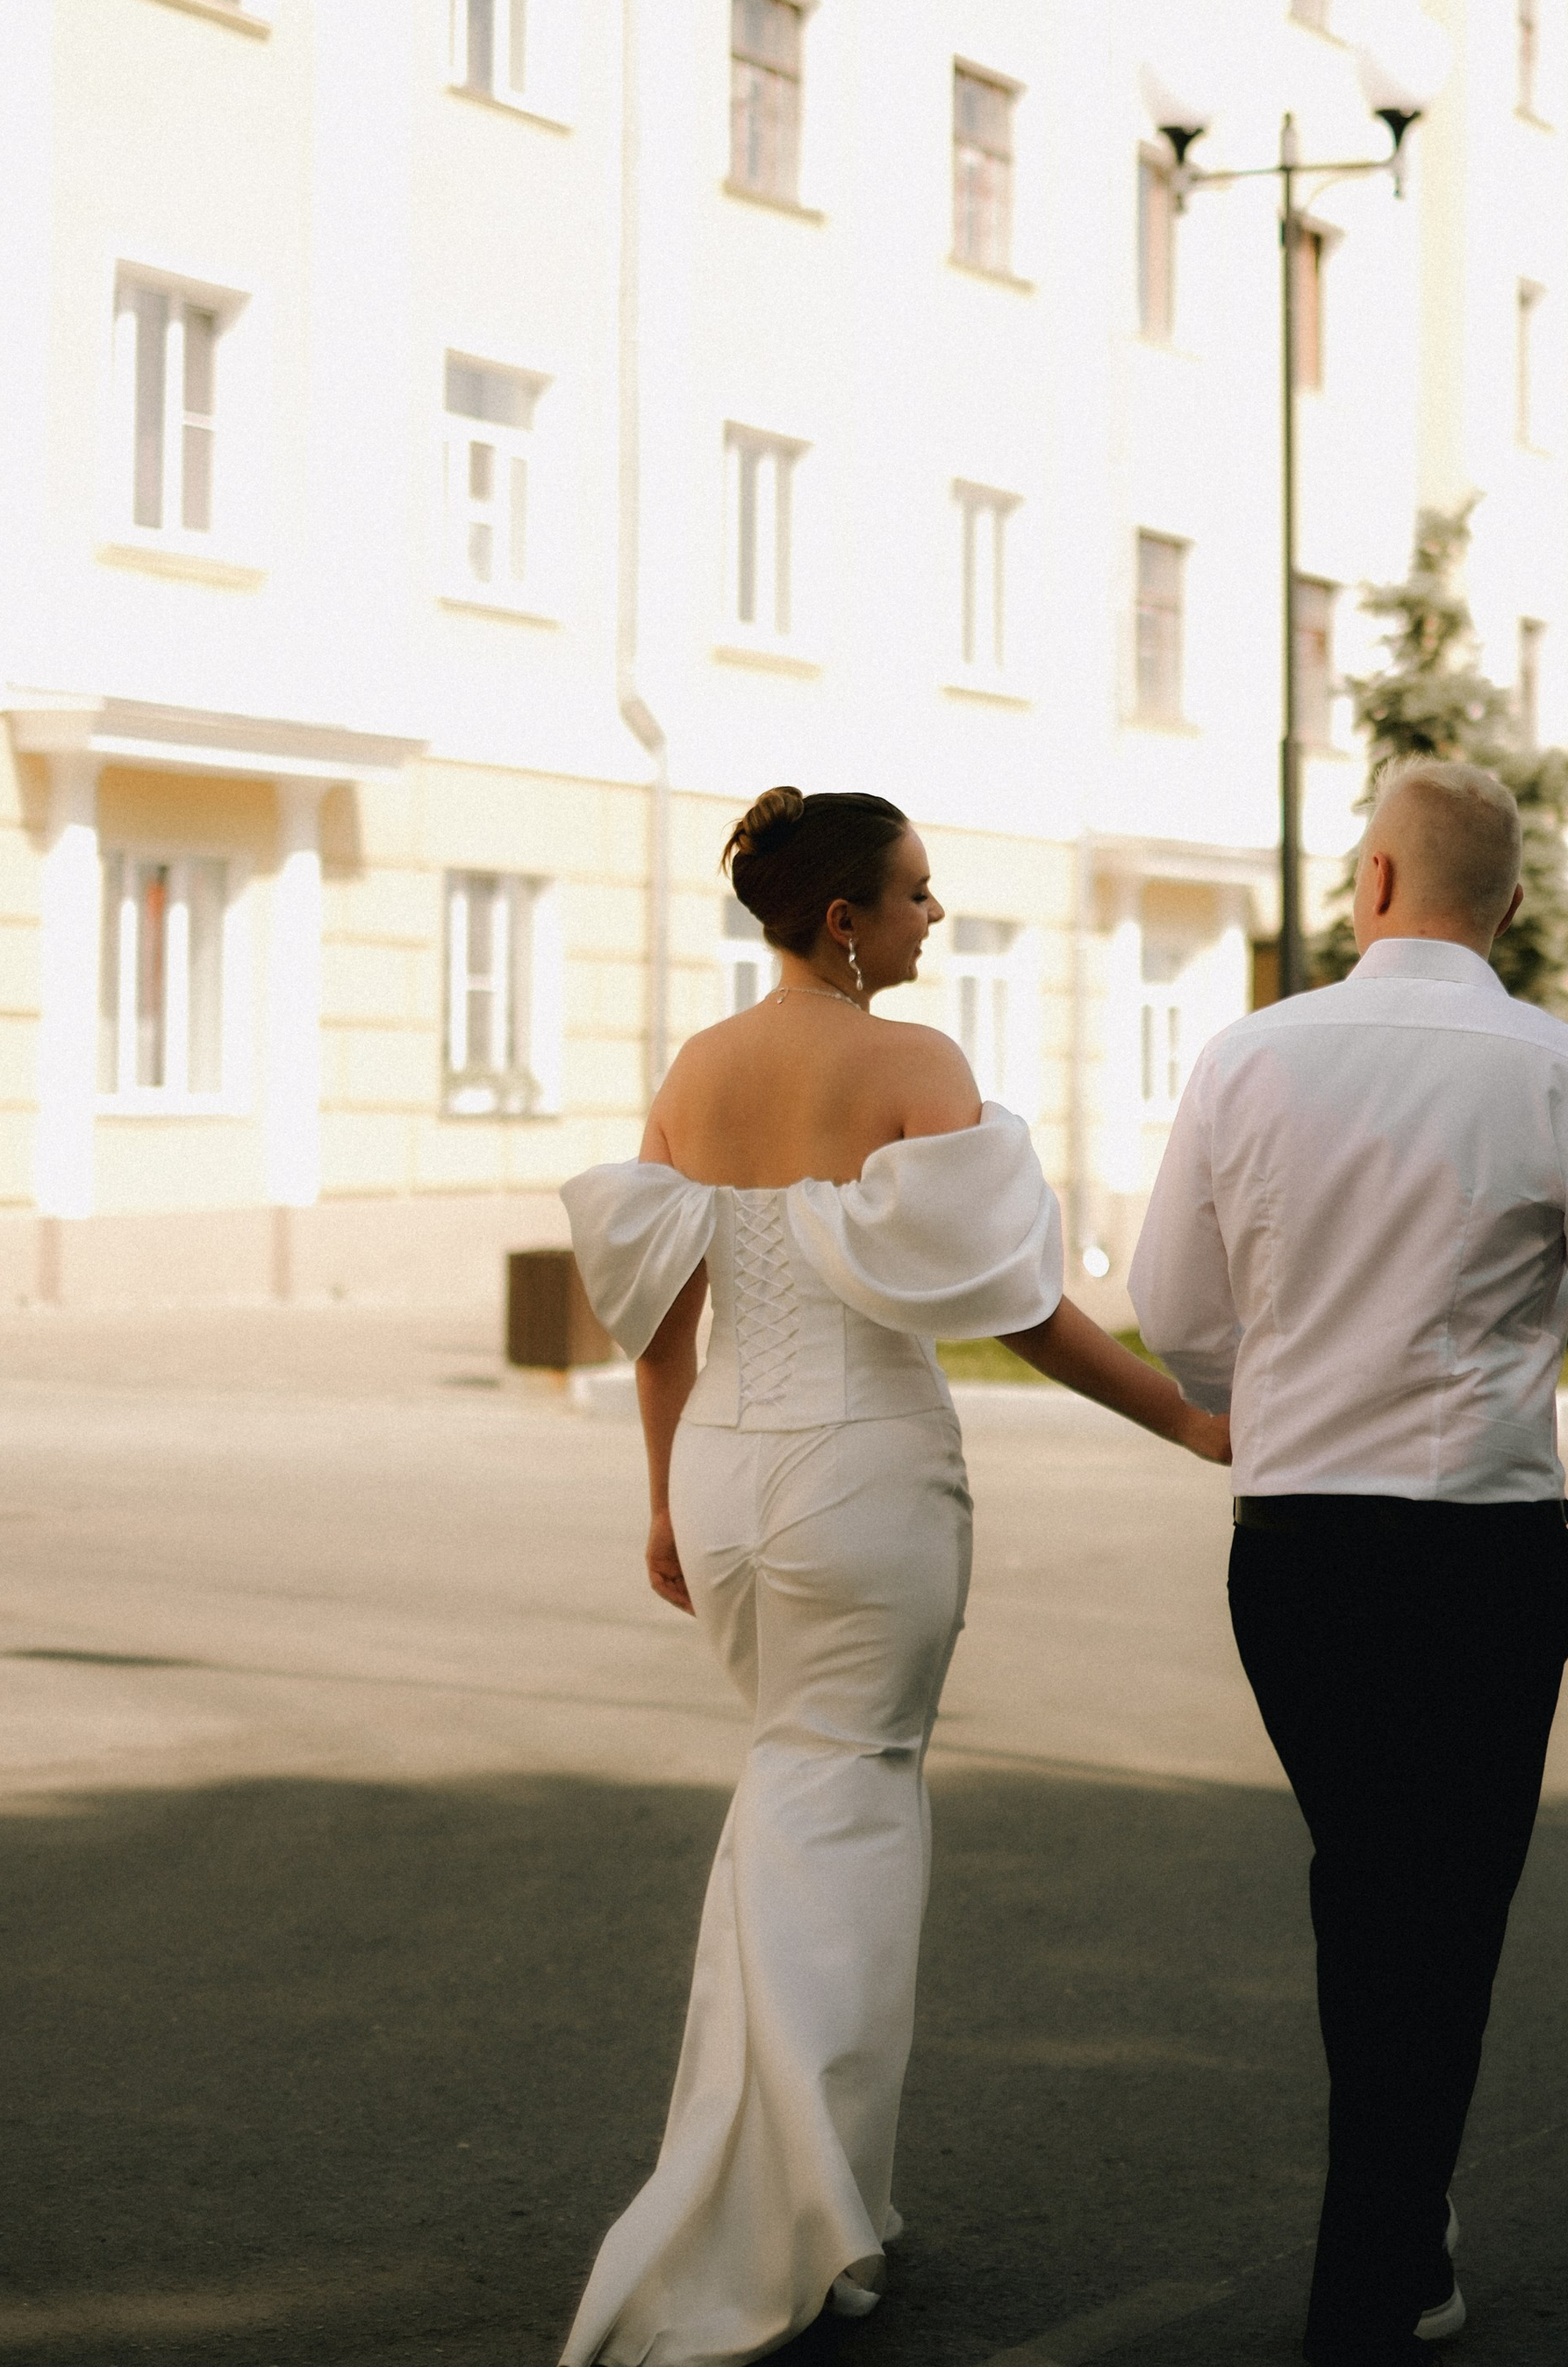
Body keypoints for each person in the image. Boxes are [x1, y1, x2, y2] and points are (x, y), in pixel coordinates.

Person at [557, 785, 1230, 2367]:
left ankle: (820, 2191)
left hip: (726, 1478)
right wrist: (1187, 1419)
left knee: (793, 1797)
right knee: (852, 1809)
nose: (937, 914)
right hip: (864, 1481)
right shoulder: (916, 1063)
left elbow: (658, 1322)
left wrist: (662, 1507)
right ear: (845, 921)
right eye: (918, 893)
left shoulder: (697, 1070)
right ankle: (794, 2217)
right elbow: (1020, 1305)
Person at [1130, 760, 1568, 2367]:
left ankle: (1395, 2234)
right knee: (1444, 1913)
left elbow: (1176, 1305)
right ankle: (1378, 2269)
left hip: (1298, 1556)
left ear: (1377, 884)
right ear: (1511, 907)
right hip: (1481, 1556)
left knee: (1367, 1887)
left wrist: (1269, 1402)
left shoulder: (1247, 1058)